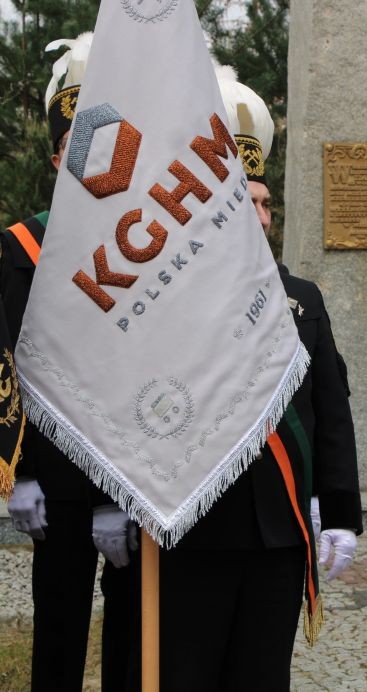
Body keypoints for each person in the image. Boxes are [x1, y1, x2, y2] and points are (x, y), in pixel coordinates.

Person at [156, 69, 363, 691]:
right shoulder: (169, 298)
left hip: (279, 531)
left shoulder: (303, 300)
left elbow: (330, 411)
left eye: (266, 203)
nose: (261, 215)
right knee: (187, 675)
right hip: (194, 529)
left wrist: (339, 511)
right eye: (245, 202)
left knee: (263, 676)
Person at [3, 33, 140, 692]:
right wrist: (19, 474)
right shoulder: (18, 248)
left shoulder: (137, 247)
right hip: (53, 480)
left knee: (131, 632)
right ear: (58, 158)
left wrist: (124, 491)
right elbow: (4, 364)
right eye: (74, 152)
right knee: (58, 628)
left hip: (131, 477)